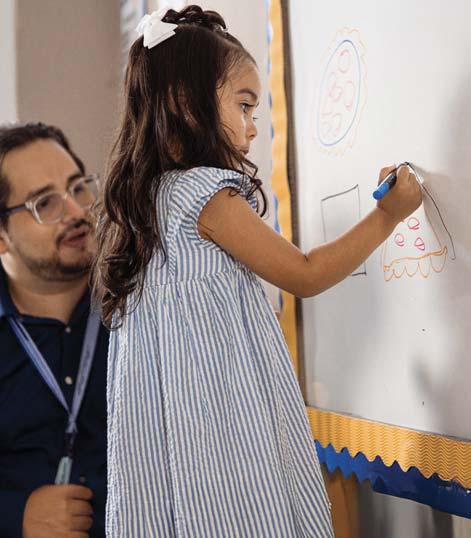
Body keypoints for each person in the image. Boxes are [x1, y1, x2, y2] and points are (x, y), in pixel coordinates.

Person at [94, 6, 422, 537]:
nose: (252, 128)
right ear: (185, 102)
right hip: (225, 429)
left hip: (178, 444)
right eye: (244, 106)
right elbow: (305, 273)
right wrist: (388, 215)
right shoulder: (204, 196)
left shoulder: (144, 206)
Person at [0, 122, 108, 537]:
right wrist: (15, 517)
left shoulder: (141, 309)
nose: (77, 212)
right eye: (45, 203)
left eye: (78, 188)